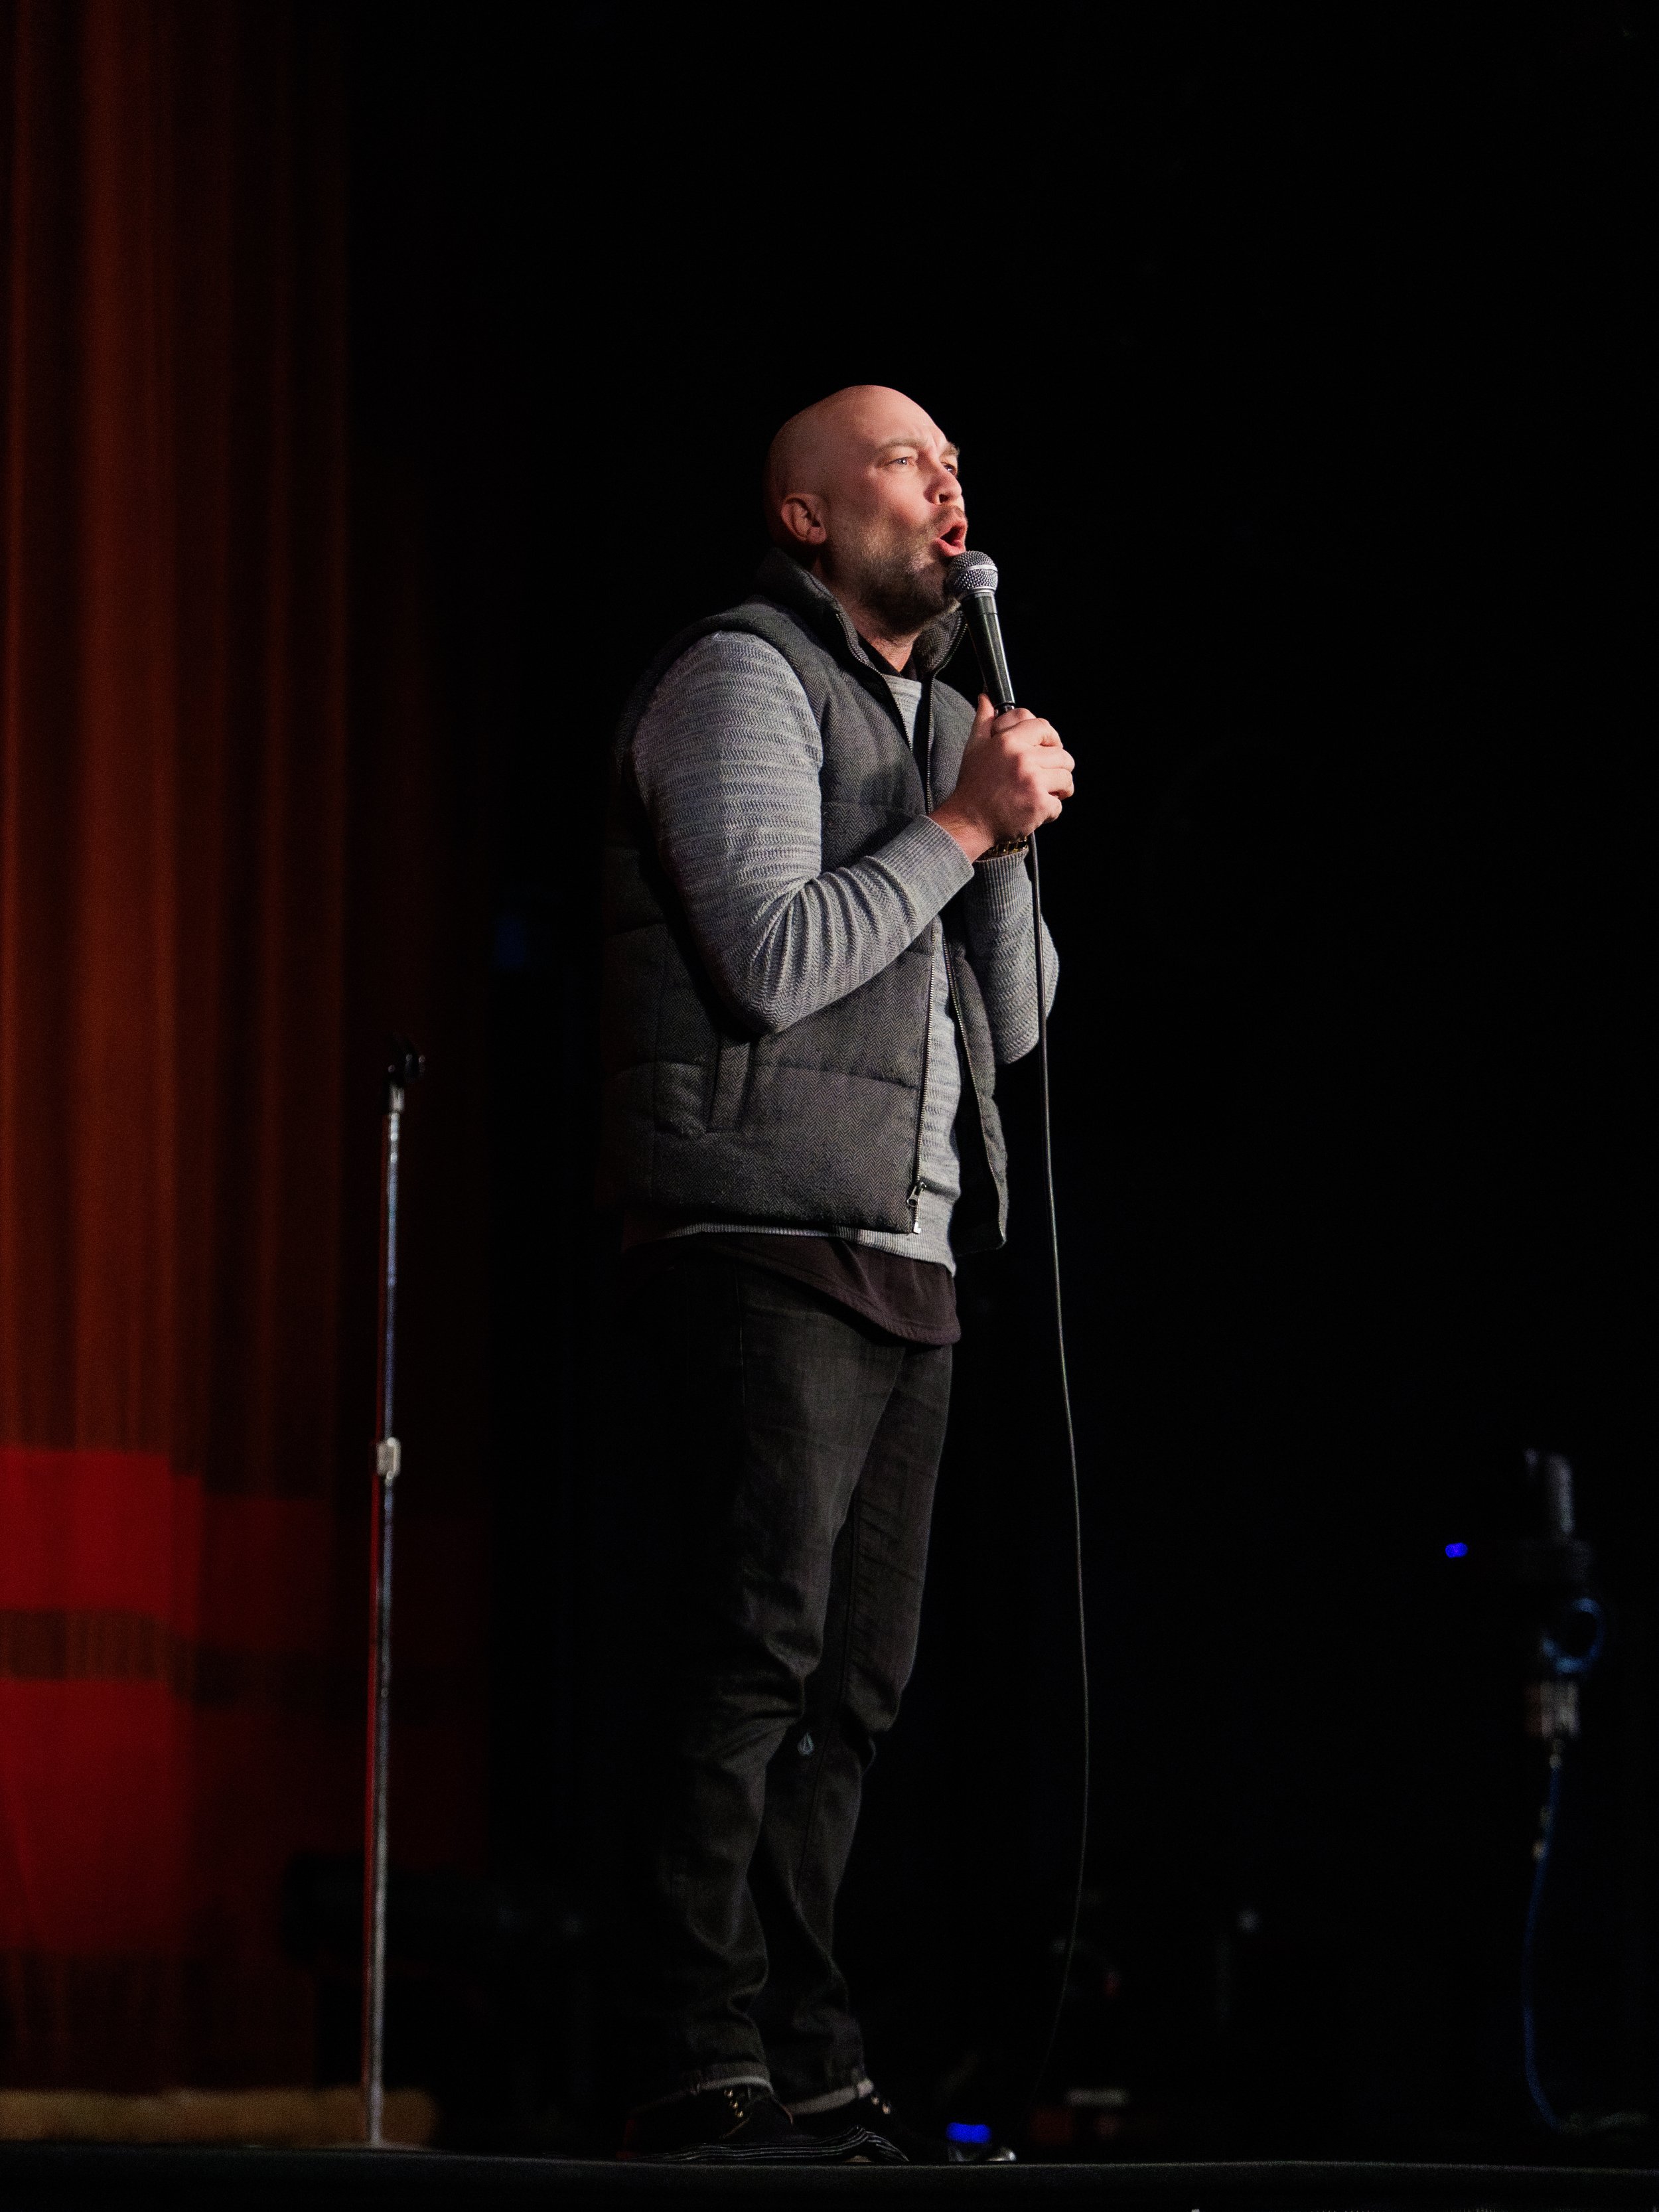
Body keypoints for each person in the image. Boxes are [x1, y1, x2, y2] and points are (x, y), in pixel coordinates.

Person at [599, 384, 1074, 2164]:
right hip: (761, 1232)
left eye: (959, 463)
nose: (947, 488)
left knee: (857, 1693)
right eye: (903, 461)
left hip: (914, 1244)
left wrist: (998, 834)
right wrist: (954, 827)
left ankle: (804, 2047)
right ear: (805, 514)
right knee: (751, 1658)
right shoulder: (738, 674)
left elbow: (1014, 1026)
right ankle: (681, 2041)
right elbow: (769, 956)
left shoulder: (951, 718)